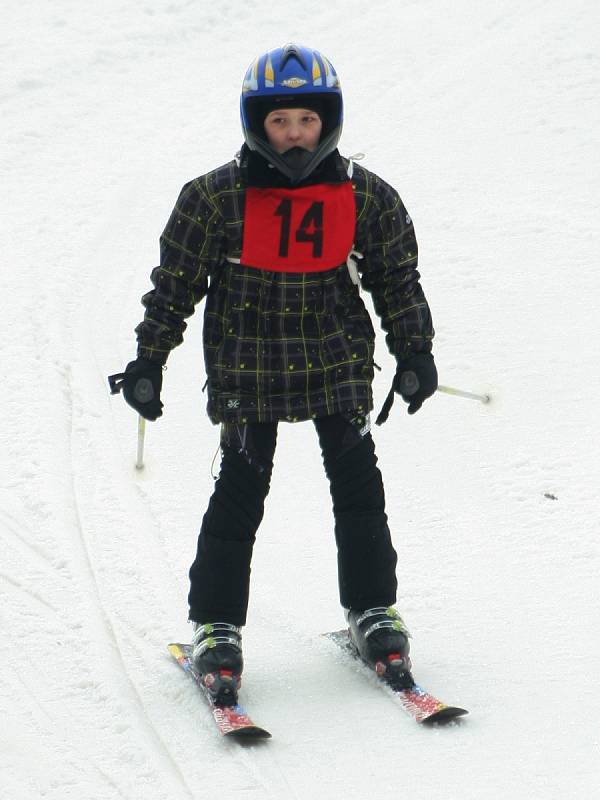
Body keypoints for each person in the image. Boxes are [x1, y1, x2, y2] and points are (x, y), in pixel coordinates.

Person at [109, 43, 437, 705]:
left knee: (357, 486)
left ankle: (374, 610)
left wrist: (414, 352)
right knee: (240, 491)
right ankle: (217, 625)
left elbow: (396, 279)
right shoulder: (214, 198)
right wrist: (150, 358)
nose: (294, 135)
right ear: (256, 122)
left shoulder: (365, 197)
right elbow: (174, 285)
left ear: (329, 121)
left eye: (307, 121)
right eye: (281, 121)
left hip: (336, 360)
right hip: (248, 364)